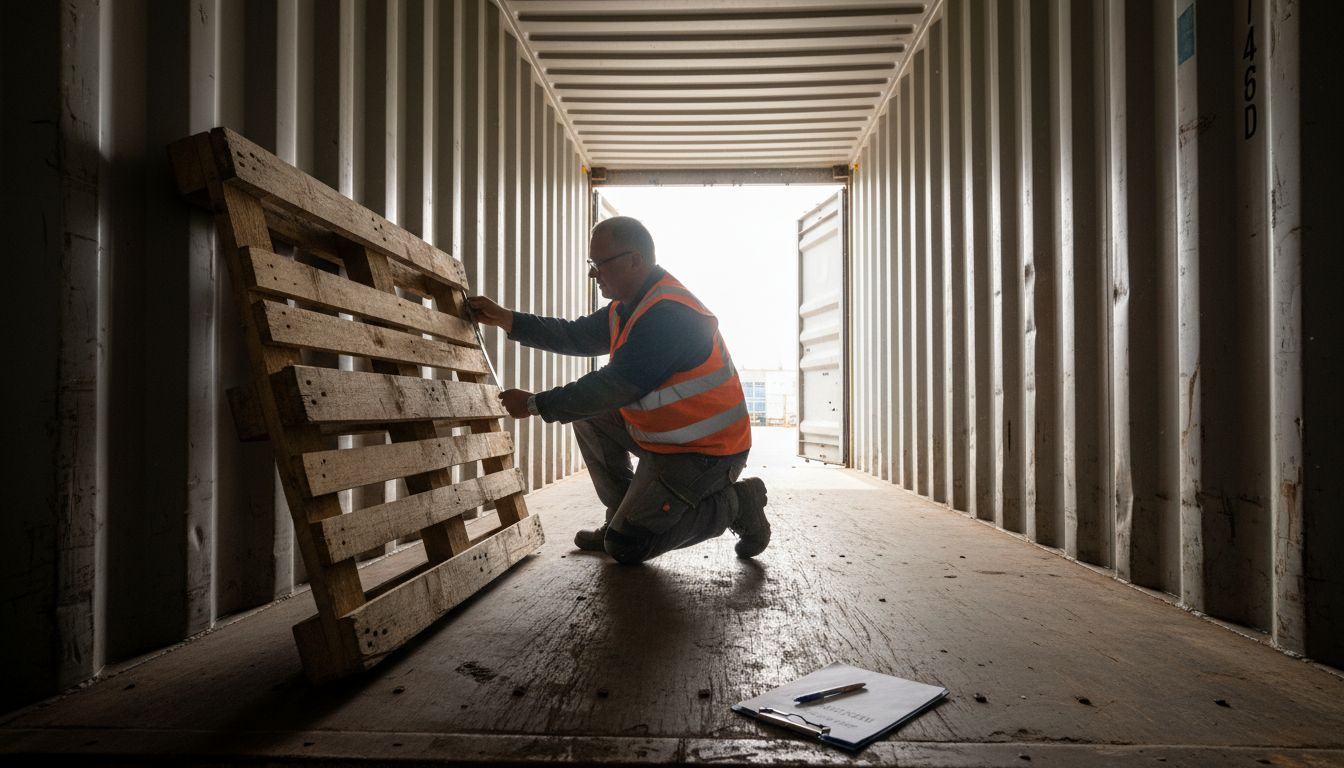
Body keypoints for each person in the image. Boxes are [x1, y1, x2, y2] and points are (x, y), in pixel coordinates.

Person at [466, 216, 771, 565]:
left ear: (634, 260)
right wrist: (506, 318)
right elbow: (573, 335)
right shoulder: (625, 308)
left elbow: (612, 386)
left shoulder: (669, 315)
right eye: (591, 264)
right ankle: (621, 515)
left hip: (708, 452)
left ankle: (738, 503)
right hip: (666, 441)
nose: (593, 274)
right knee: (588, 417)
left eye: (600, 264)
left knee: (628, 546)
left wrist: (536, 404)